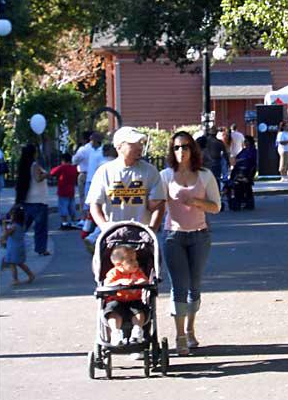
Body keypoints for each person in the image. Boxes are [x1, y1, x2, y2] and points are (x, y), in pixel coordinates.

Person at [160, 130, 221, 356]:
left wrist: (196, 201)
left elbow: (216, 206)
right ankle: (180, 336)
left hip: (199, 236)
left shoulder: (205, 176)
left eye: (185, 147)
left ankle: (190, 327)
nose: (181, 151)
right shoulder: (165, 175)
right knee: (179, 286)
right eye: (176, 147)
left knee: (194, 287)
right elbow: (156, 204)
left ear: (192, 149)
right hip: (173, 236)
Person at [87, 126, 165, 231]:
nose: (139, 147)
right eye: (134, 143)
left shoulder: (150, 171)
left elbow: (158, 206)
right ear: (119, 146)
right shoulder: (104, 171)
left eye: (141, 143)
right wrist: (104, 226)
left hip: (141, 236)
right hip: (113, 235)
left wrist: (152, 230)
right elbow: (95, 204)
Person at [103, 245, 149, 346]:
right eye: (131, 260)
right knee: (113, 312)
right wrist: (119, 282)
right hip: (117, 300)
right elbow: (107, 284)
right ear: (119, 265)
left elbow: (144, 280)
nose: (135, 263)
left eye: (135, 259)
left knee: (140, 312)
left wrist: (139, 282)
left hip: (134, 300)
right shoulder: (113, 273)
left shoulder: (137, 272)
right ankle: (115, 333)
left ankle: (137, 331)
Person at [15, 143, 51, 256]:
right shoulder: (34, 165)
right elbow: (38, 178)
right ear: (34, 153)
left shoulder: (24, 166)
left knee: (24, 226)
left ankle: (13, 244)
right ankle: (41, 249)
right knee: (40, 228)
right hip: (39, 200)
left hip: (28, 199)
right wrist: (46, 174)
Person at [1, 206, 35, 285]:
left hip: (13, 248)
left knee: (11, 263)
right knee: (20, 263)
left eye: (11, 215)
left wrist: (4, 225)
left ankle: (15, 279)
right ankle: (31, 275)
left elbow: (6, 234)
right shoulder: (22, 225)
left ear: (15, 217)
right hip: (20, 246)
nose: (10, 217)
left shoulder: (14, 226)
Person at [50, 152, 79, 229]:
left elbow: (52, 172)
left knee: (63, 207)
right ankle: (74, 222)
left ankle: (64, 223)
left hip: (62, 191)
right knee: (72, 207)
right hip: (71, 191)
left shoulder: (62, 167)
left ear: (63, 160)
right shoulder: (73, 168)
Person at [229, 135, 257, 210]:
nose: (245, 142)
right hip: (239, 169)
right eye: (244, 141)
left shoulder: (253, 151)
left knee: (245, 184)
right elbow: (237, 157)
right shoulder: (243, 150)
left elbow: (251, 160)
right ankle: (238, 199)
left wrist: (241, 161)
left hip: (247, 170)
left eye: (246, 141)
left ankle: (247, 201)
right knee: (236, 183)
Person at [72, 131, 92, 215]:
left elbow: (74, 161)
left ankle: (84, 216)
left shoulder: (83, 149)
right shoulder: (98, 149)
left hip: (84, 173)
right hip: (95, 174)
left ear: (84, 140)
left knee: (83, 196)